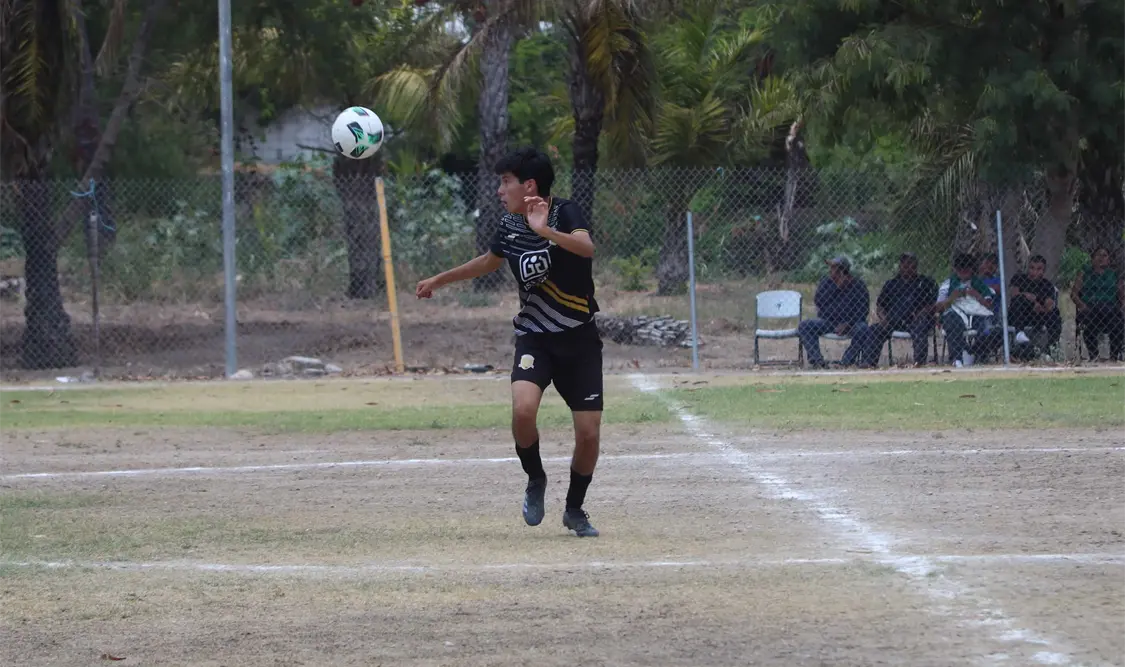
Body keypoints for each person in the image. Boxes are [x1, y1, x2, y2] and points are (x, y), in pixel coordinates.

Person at [416, 148, 602, 537]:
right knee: (522, 411)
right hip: (535, 336)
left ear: (529, 185)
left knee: (587, 433)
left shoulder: (565, 213)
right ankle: (536, 478)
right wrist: (439, 279)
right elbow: (488, 261)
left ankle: (574, 510)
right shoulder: (508, 225)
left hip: (579, 341)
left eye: (506, 182)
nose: (501, 190)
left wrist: (545, 233)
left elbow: (586, 248)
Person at [860, 252, 937, 367]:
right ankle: (868, 363)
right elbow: (880, 306)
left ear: (916, 266)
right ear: (900, 266)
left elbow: (935, 304)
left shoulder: (925, 283)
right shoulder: (891, 284)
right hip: (893, 320)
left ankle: (919, 363)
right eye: (905, 265)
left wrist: (922, 312)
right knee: (875, 330)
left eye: (911, 265)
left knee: (920, 328)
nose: (908, 268)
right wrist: (883, 318)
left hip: (917, 319)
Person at [797, 256, 869, 369]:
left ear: (842, 271)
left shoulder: (858, 285)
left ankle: (845, 362)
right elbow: (819, 302)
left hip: (851, 324)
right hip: (828, 322)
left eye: (833, 268)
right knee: (805, 326)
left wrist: (848, 324)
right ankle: (818, 362)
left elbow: (863, 311)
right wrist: (836, 288)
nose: (830, 270)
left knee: (863, 328)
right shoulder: (826, 282)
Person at [936, 252, 998, 367]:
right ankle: (957, 358)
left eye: (967, 270)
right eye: (960, 270)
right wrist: (953, 297)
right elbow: (939, 307)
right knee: (951, 320)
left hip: (977, 314)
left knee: (991, 329)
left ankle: (975, 353)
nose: (963, 274)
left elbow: (989, 306)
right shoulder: (948, 284)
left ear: (972, 270)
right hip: (956, 313)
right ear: (955, 269)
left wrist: (975, 294)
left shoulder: (979, 284)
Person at [1070, 246, 1125, 361]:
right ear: (1092, 258)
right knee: (1088, 320)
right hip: (1090, 307)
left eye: (1104, 255)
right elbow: (1074, 294)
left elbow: (1122, 295)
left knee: (1117, 321)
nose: (1101, 258)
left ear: (1109, 259)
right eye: (1098, 255)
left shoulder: (1113, 275)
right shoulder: (1085, 273)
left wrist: (1122, 306)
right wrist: (1081, 305)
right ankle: (1094, 355)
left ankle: (1114, 355)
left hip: (1109, 308)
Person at [1008, 254, 1062, 354]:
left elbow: (1049, 305)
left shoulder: (1047, 285)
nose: (1034, 272)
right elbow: (1014, 294)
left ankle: (1051, 349)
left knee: (1055, 313)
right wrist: (1032, 301)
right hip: (1019, 314)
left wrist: (1037, 300)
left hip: (1037, 314)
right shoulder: (1019, 278)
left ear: (1043, 271)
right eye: (1032, 268)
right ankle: (1019, 333)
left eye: (1039, 269)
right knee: (1019, 299)